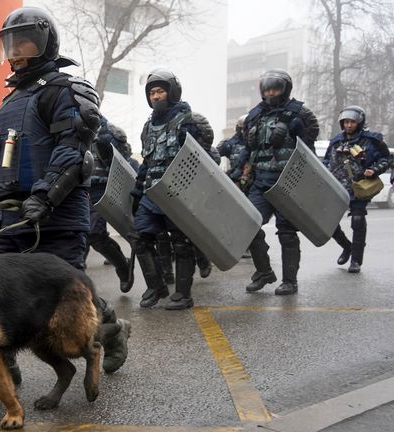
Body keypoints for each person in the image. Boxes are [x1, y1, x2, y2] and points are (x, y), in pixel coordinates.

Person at [0, 7, 131, 393]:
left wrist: (45, 196)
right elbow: (3, 163)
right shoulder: (8, 102)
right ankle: (4, 369)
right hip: (12, 215)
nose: (17, 51)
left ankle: (112, 330)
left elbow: (72, 151)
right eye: (11, 43)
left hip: (57, 213)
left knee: (67, 295)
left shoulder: (67, 90)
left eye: (25, 41)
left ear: (45, 42)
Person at [130, 68, 216, 310]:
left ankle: (183, 294)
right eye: (152, 93)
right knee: (140, 238)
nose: (155, 96)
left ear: (172, 93)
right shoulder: (148, 127)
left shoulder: (188, 122)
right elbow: (147, 162)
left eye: (160, 91)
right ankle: (157, 287)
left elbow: (201, 160)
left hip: (178, 192)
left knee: (180, 242)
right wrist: (137, 191)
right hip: (151, 193)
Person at [237, 69, 319, 295]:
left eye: (275, 88)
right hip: (260, 181)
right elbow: (248, 149)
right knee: (248, 225)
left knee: (286, 232)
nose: (270, 93)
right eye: (267, 89)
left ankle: (290, 281)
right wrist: (238, 173)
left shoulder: (299, 114)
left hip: (286, 182)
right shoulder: (255, 115)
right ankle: (264, 272)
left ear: (285, 89)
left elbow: (308, 150)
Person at [325, 106, 390, 273]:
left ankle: (356, 260)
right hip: (337, 187)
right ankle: (347, 247)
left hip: (358, 187)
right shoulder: (336, 141)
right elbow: (325, 163)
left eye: (352, 122)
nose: (348, 125)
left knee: (358, 221)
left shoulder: (372, 140)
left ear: (359, 122)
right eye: (346, 122)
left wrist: (374, 170)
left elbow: (386, 158)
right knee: (328, 222)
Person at [89, 117, 134, 292]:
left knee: (95, 235)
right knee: (83, 237)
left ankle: (122, 266)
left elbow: (122, 162)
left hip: (103, 188)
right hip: (79, 188)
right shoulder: (69, 126)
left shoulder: (107, 132)